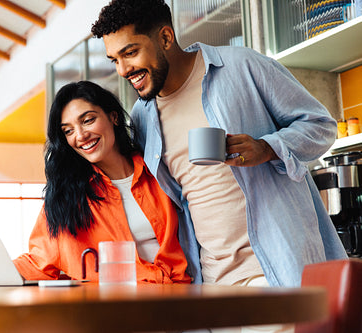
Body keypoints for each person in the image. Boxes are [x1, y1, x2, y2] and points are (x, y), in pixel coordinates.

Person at [91, 0, 347, 290]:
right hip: (211, 282)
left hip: (273, 270)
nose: (123, 69)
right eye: (114, 60)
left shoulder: (241, 66)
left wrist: (267, 147)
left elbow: (321, 126)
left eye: (131, 53)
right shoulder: (142, 116)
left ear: (165, 37)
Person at [0, 80, 191, 287]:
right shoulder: (68, 196)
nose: (81, 135)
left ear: (113, 117)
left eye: (88, 120)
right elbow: (38, 261)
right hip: (115, 312)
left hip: (177, 299)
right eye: (68, 130)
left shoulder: (158, 170)